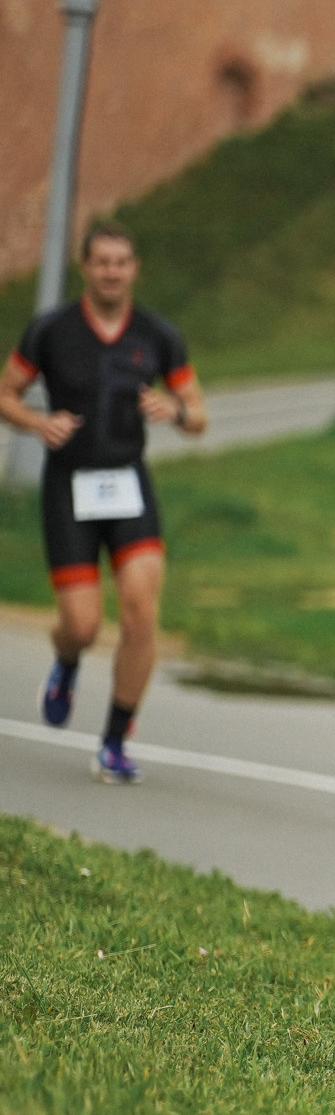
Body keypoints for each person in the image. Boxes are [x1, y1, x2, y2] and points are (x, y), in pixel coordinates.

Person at [0, 222, 206, 783]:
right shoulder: (52, 331)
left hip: (128, 484)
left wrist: (176, 412)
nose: (112, 271)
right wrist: (38, 422)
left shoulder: (158, 336)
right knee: (84, 625)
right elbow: (5, 393)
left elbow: (198, 413)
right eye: (102, 261)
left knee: (142, 612)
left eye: (122, 261)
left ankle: (114, 741)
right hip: (69, 488)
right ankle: (67, 661)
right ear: (85, 268)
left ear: (135, 267)